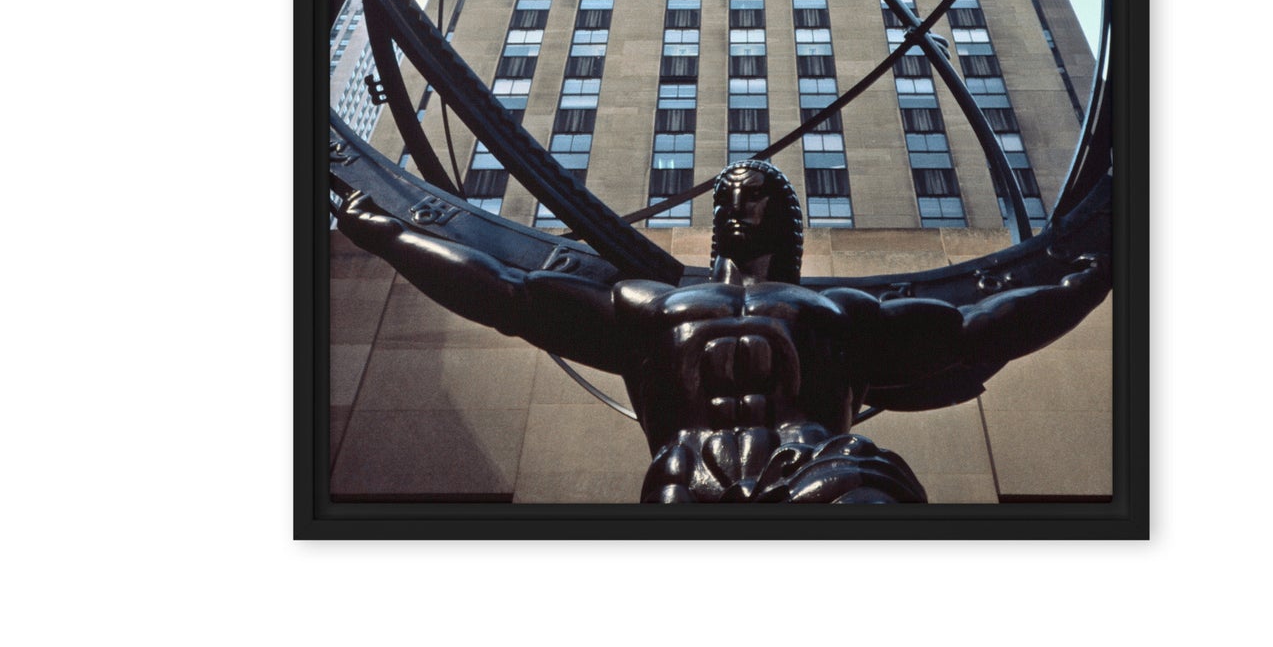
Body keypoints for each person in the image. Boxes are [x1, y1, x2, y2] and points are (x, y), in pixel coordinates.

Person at [337, 161, 1107, 504]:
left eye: (753, 195)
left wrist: (1093, 275)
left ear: (784, 215)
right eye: (726, 197)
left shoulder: (835, 313)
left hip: (825, 474)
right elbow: (508, 293)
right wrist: (392, 236)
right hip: (689, 479)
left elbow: (977, 326)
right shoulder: (649, 304)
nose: (735, 206)